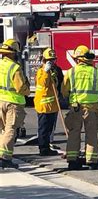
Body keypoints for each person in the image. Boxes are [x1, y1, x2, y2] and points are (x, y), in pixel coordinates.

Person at [62, 45, 98, 170]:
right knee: (91, 134)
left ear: (78, 59)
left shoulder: (71, 72)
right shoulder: (96, 72)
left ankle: (72, 160)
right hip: (92, 109)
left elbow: (64, 90)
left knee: (74, 133)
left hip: (76, 108)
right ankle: (92, 161)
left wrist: (70, 97)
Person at [0, 39, 30, 169]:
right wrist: (28, 90)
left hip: (1, 101)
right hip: (14, 103)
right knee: (10, 130)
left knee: (3, 130)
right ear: (12, 53)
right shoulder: (15, 67)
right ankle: (5, 158)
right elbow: (21, 88)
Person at [34, 48, 61, 156]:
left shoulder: (55, 70)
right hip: (43, 106)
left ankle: (47, 146)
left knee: (49, 129)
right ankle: (43, 149)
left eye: (53, 60)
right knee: (43, 129)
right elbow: (43, 83)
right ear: (44, 60)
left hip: (53, 106)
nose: (52, 62)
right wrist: (46, 71)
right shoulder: (41, 72)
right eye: (49, 60)